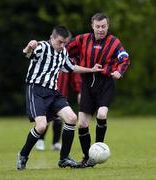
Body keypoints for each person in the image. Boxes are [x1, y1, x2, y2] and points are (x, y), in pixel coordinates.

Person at [16, 25, 103, 170]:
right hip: (36, 90)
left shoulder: (63, 53)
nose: (62, 45)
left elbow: (72, 67)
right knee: (42, 126)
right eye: (60, 42)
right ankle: (23, 155)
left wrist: (91, 69)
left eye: (65, 42)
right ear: (51, 38)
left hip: (53, 92)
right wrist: (29, 47)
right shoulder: (42, 46)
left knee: (71, 118)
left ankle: (64, 159)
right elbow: (27, 54)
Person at [66, 13, 130, 168]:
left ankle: (98, 148)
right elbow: (65, 51)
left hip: (105, 83)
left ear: (107, 26)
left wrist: (119, 72)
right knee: (82, 124)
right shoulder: (82, 40)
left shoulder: (114, 42)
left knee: (102, 114)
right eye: (98, 26)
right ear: (92, 26)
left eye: (104, 26)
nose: (101, 29)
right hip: (87, 84)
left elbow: (124, 58)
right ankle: (88, 158)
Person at [36, 71, 82, 151]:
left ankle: (55, 143)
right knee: (46, 117)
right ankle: (40, 140)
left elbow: (75, 77)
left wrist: (79, 91)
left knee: (59, 118)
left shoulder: (67, 61)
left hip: (61, 95)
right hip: (46, 94)